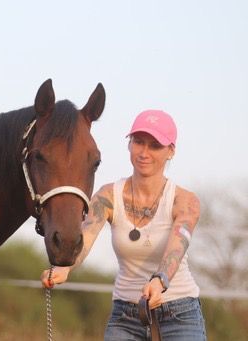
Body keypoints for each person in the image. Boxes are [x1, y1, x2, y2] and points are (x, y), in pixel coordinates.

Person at [41, 109, 206, 340]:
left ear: (170, 151)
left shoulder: (185, 201)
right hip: (125, 315)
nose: (144, 152)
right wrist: (65, 266)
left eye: (155, 145)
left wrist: (160, 281)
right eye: (138, 142)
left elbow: (177, 248)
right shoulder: (108, 195)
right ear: (129, 144)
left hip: (179, 313)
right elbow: (86, 237)